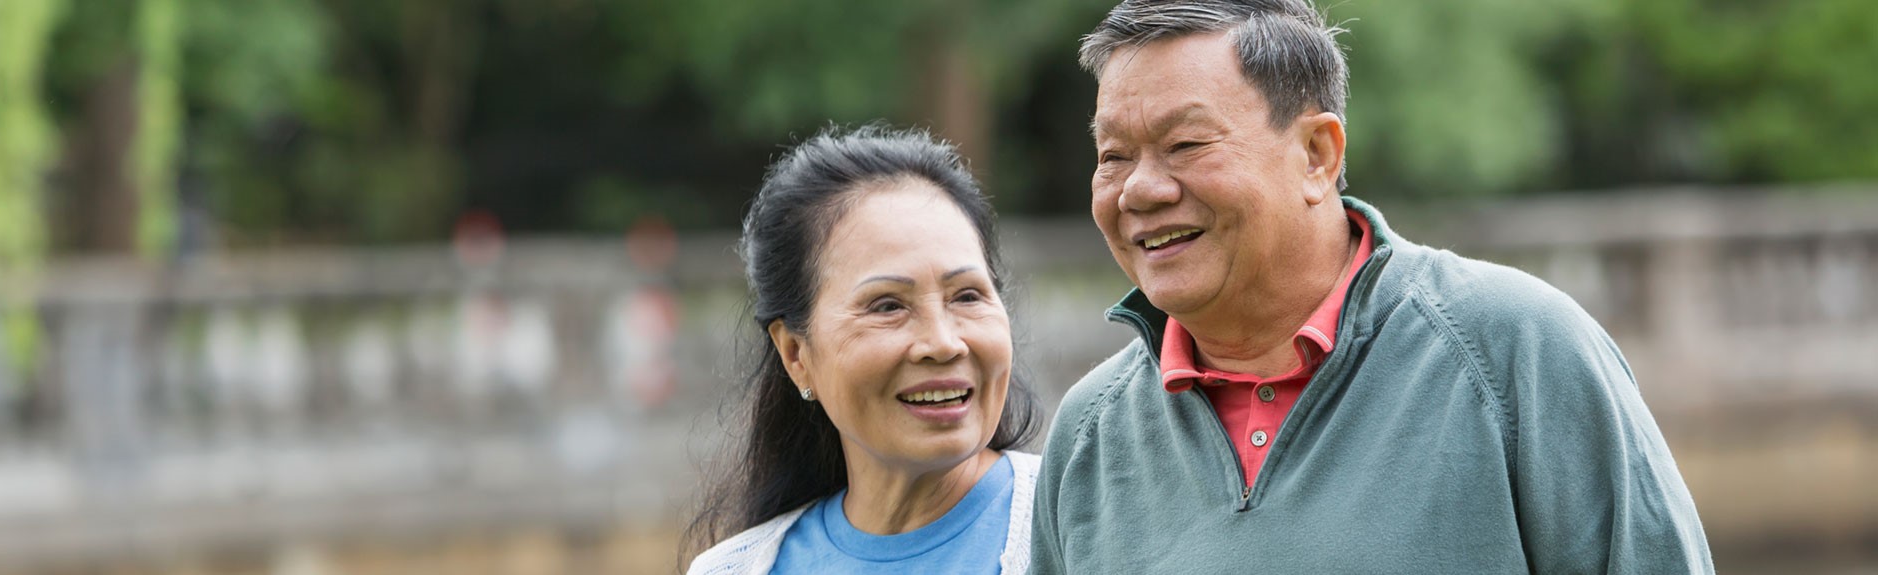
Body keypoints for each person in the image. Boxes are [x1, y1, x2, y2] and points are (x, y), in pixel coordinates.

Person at [1029, 1, 1714, 573]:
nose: (1140, 190)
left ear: (1317, 156)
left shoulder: (1514, 350)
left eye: (1185, 146)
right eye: (1113, 156)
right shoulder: (1090, 432)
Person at [685, 126, 1043, 575]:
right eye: (887, 305)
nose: (943, 343)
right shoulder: (731, 570)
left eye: (967, 296)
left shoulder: (1086, 526)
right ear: (796, 354)